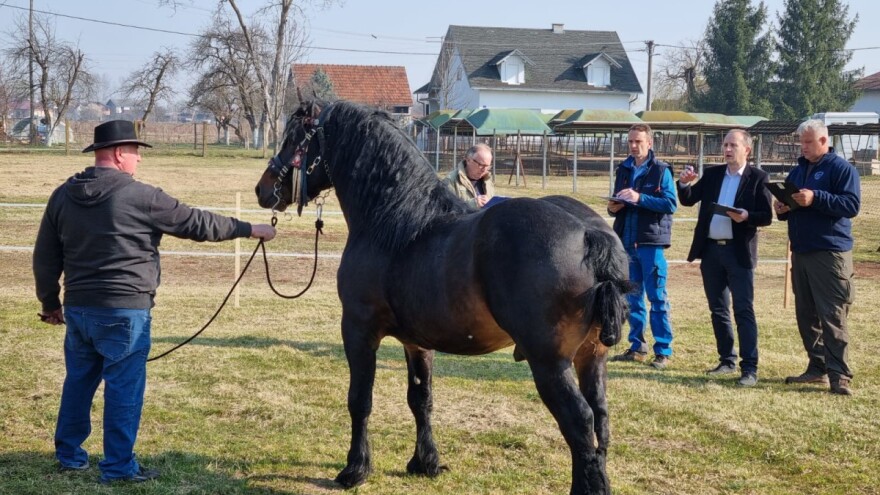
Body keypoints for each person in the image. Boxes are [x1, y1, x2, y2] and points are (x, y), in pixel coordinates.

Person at [33, 120, 277, 483]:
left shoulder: (62, 195)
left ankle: (69, 455)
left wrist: (50, 302)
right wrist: (250, 229)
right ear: (119, 153)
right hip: (125, 312)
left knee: (78, 383)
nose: (139, 159)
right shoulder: (141, 196)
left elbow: (45, 256)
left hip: (79, 309)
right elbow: (196, 223)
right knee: (124, 389)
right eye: (135, 152)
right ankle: (118, 467)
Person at [677, 129, 773, 387]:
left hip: (738, 253)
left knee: (743, 309)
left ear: (747, 150)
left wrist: (746, 216)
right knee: (718, 309)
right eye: (725, 145)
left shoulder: (759, 178)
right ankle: (726, 360)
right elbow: (688, 200)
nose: (727, 150)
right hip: (711, 252)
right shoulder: (713, 174)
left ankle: (749, 368)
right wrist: (684, 184)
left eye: (733, 145)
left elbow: (766, 216)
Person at [775, 119, 860, 396]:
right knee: (806, 314)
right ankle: (817, 368)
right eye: (801, 141)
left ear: (824, 140)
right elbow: (794, 205)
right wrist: (783, 207)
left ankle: (839, 375)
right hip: (801, 251)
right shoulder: (798, 170)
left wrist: (816, 197)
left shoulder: (842, 169)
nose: (803, 146)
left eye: (809, 142)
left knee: (832, 315)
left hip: (829, 252)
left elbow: (851, 205)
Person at [608, 123, 677, 369]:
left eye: (638, 141)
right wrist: (613, 207)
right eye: (630, 141)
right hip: (625, 241)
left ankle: (663, 350)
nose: (634, 146)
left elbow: (670, 203)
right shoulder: (624, 169)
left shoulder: (661, 170)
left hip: (650, 243)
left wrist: (639, 198)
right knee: (632, 298)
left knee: (657, 298)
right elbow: (616, 203)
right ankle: (637, 346)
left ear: (650, 143)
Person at [443, 143, 495, 208]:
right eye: (481, 165)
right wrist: (471, 205)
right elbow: (445, 209)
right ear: (468, 160)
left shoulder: (487, 180)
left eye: (487, 166)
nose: (484, 170)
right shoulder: (451, 181)